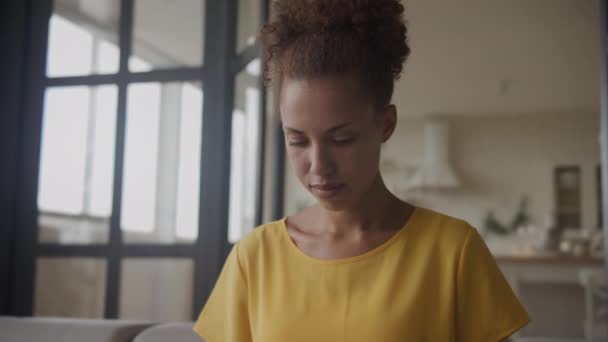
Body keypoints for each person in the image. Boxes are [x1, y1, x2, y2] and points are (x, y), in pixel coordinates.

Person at [193, 0, 530, 341]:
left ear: (386, 124)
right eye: (297, 141)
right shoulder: (255, 257)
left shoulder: (453, 252)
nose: (319, 165)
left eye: (341, 139)